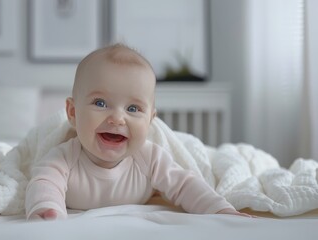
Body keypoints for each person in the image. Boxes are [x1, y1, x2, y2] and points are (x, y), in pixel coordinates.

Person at [25, 43, 251, 220]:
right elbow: (44, 182)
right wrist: (47, 209)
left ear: (151, 120)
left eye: (133, 108)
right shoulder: (65, 157)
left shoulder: (149, 157)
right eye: (100, 103)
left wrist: (220, 210)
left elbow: (184, 185)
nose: (117, 118)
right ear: (73, 113)